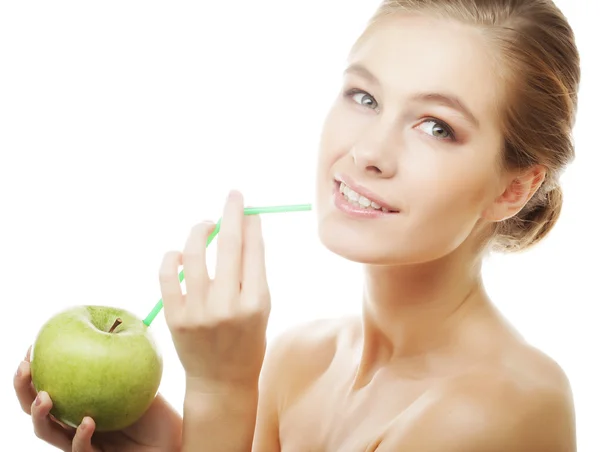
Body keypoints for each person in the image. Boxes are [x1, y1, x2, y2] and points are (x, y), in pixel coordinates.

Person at [14, 0, 581, 450]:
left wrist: (221, 391)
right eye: (364, 96)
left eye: (436, 127)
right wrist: (166, 442)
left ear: (514, 188)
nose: (367, 152)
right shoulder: (300, 359)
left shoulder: (499, 411)